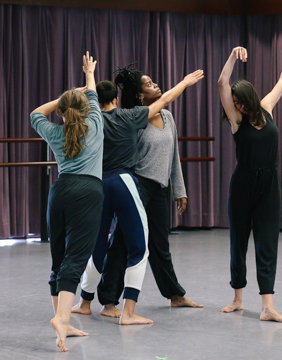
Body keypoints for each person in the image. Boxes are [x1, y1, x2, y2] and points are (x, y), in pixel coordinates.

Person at [72, 65, 204, 323]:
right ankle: (109, 299)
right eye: (148, 84)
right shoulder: (137, 120)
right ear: (140, 96)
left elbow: (173, 156)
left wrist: (180, 189)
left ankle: (174, 294)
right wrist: (185, 82)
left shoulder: (168, 117)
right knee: (121, 244)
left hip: (159, 188)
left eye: (154, 81)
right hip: (137, 185)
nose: (155, 85)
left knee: (160, 245)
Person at [217, 46, 282, 323]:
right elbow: (222, 82)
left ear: (250, 98)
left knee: (267, 243)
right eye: (234, 101)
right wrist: (232, 55)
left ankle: (267, 306)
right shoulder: (236, 120)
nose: (237, 105)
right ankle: (237, 298)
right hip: (243, 186)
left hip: (269, 185)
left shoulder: (266, 107)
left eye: (240, 101)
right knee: (239, 244)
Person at [30, 51, 102, 352]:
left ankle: (63, 318)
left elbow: (35, 114)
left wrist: (64, 98)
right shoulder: (96, 125)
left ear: (61, 111)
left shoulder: (55, 132)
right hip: (88, 192)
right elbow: (95, 94)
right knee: (76, 259)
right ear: (86, 109)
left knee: (59, 260)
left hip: (60, 192)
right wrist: (88, 75)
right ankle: (62, 318)